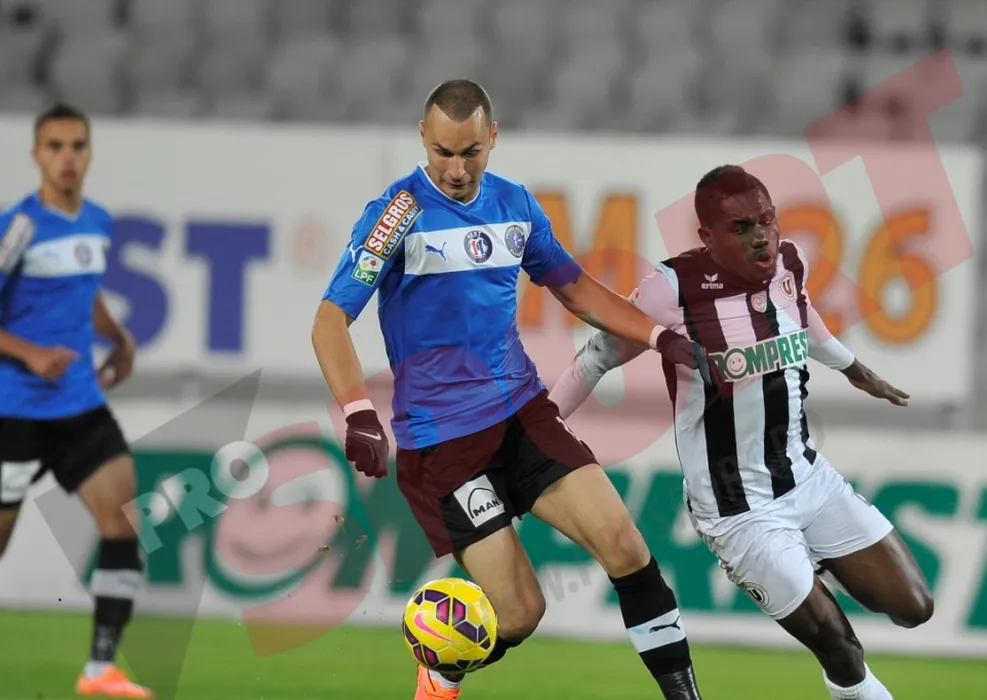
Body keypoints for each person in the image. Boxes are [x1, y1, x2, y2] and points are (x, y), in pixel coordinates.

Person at [312, 79, 710, 700]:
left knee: (626, 547)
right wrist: (359, 412)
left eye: (470, 152)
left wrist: (658, 336)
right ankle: (440, 669)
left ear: (493, 138)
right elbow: (330, 319)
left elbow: (576, 289)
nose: (455, 169)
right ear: (423, 138)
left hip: (522, 416)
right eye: (443, 152)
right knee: (520, 614)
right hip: (445, 443)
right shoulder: (395, 216)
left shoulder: (515, 205)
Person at [549, 164, 935, 700]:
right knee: (842, 648)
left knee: (915, 607)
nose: (762, 236)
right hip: (738, 510)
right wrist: (541, 432)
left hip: (807, 478)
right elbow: (596, 357)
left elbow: (803, 317)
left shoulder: (789, 262)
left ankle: (804, 563)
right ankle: (799, 586)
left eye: (768, 220)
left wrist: (852, 367)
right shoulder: (673, 288)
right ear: (707, 236)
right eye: (742, 227)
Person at [0, 104, 152, 698]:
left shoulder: (96, 221)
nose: (68, 157)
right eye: (56, 146)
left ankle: (99, 670)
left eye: (77, 146)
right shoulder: (19, 227)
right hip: (15, 411)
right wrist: (30, 353)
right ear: (36, 155)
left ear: (89, 153)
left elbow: (83, 293)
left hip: (79, 405)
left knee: (123, 519)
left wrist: (120, 339)